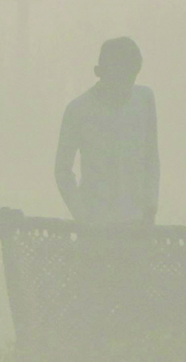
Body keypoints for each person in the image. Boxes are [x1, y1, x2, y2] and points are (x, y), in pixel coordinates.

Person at [55, 36, 159, 227]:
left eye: (131, 78)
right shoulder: (78, 110)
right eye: (120, 78)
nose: (126, 86)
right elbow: (62, 170)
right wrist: (83, 217)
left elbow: (151, 157)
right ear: (102, 72)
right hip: (95, 224)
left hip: (138, 224)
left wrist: (150, 208)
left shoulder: (144, 100)